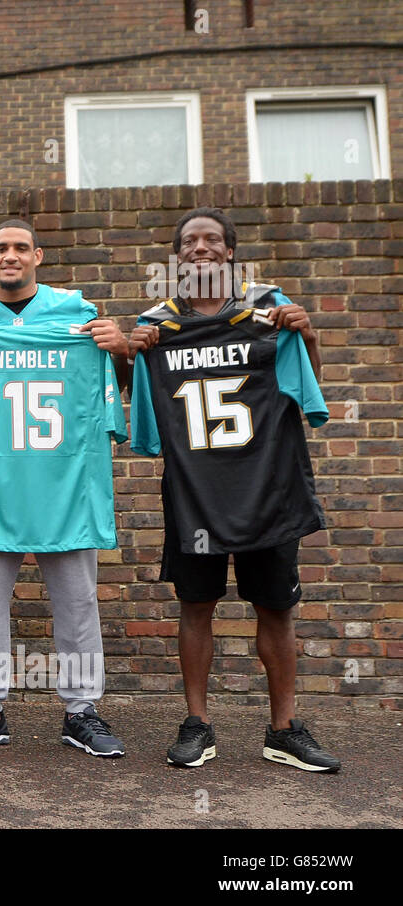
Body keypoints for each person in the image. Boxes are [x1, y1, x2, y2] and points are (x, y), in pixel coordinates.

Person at [129, 206, 340, 772]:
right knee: (196, 606)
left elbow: (309, 395)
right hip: (196, 491)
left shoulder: (269, 314)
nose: (201, 248)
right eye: (189, 241)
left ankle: (283, 729)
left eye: (212, 240)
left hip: (269, 487)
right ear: (177, 258)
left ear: (230, 253)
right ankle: (198, 723)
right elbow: (131, 403)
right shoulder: (157, 326)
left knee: (275, 608)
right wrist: (131, 351)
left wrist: (309, 336)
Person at [0, 219, 130, 757]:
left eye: (21, 248)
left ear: (38, 256)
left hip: (65, 483)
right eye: (1, 248)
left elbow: (119, 390)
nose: (11, 256)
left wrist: (120, 350)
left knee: (77, 601)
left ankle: (81, 709)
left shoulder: (79, 318)